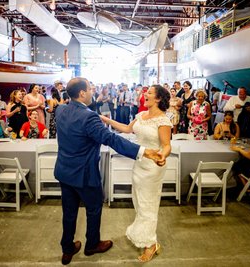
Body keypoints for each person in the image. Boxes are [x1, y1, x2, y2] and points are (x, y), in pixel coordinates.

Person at [54, 77, 162, 265]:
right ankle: (92, 245)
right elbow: (111, 139)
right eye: (90, 88)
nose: (92, 91)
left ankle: (67, 248)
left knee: (69, 212)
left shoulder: (61, 109)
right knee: (94, 208)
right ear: (82, 93)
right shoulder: (88, 117)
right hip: (85, 174)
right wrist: (143, 152)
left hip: (64, 171)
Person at [101, 84, 171, 262]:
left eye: (149, 93)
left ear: (158, 99)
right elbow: (126, 129)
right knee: (139, 202)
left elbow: (166, 145)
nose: (144, 94)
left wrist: (163, 155)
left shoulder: (163, 120)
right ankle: (145, 236)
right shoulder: (140, 115)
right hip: (139, 163)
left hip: (154, 166)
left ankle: (151, 244)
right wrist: (106, 120)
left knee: (148, 204)